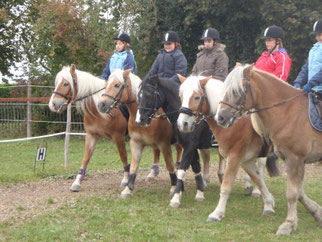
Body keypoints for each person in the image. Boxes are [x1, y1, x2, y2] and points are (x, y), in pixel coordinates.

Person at [293, 19, 322, 92]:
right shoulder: (314, 50)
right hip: (313, 90)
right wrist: (298, 82)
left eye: (321, 35)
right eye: (318, 35)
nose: (320, 37)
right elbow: (306, 68)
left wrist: (311, 84)